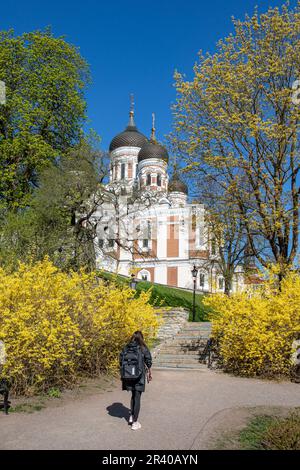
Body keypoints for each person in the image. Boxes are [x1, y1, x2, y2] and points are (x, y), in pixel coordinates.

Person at [119, 331, 152, 431]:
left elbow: (121, 360)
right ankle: (135, 422)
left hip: (128, 376)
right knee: (137, 398)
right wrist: (147, 368)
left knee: (133, 396)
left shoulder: (126, 347)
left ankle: (131, 416)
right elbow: (149, 361)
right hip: (139, 377)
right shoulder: (143, 348)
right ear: (141, 338)